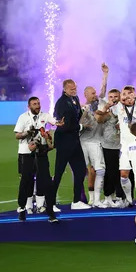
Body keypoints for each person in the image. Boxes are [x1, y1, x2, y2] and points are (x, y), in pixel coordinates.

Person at [14, 97, 63, 222]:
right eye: (34, 104)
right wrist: (27, 132)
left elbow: (54, 122)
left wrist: (59, 123)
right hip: (26, 154)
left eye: (38, 103)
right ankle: (22, 208)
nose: (37, 106)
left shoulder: (44, 116)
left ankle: (50, 212)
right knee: (25, 182)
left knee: (47, 182)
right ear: (29, 106)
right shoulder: (23, 117)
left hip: (41, 152)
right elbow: (17, 135)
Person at [52, 79, 91, 210]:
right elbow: (65, 124)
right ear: (64, 89)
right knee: (59, 172)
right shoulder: (61, 103)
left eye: (75, 88)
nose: (74, 91)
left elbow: (77, 116)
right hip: (64, 141)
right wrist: (81, 127)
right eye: (71, 89)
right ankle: (51, 203)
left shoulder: (75, 99)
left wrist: (84, 110)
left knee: (80, 170)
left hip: (74, 140)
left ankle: (76, 201)